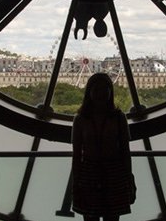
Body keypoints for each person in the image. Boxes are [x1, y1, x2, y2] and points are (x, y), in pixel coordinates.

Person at [72, 73, 135, 221]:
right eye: (99, 89)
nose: (101, 93)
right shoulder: (119, 118)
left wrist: (76, 182)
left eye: (103, 89)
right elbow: (125, 152)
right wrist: (129, 178)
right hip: (114, 174)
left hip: (89, 174)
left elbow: (76, 155)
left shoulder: (80, 120)